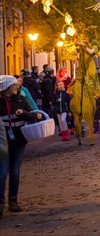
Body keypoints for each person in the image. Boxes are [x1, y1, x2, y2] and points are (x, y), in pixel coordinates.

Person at [0, 75, 43, 218]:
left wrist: (23, 113)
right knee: (2, 172)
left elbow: (35, 116)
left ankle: (13, 200)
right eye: (13, 86)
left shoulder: (20, 99)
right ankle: (1, 202)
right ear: (5, 87)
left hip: (19, 140)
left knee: (14, 172)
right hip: (2, 141)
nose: (16, 87)